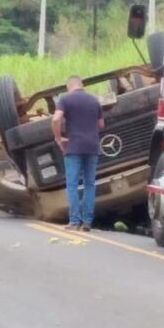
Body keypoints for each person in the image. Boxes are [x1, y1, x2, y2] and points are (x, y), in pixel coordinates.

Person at [52, 76, 104, 231]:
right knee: (89, 184)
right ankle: (87, 222)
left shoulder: (65, 99)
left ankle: (74, 222)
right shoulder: (94, 100)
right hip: (92, 147)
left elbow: (56, 119)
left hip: (73, 147)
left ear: (69, 86)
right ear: (82, 85)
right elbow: (101, 124)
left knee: (72, 185)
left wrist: (58, 137)